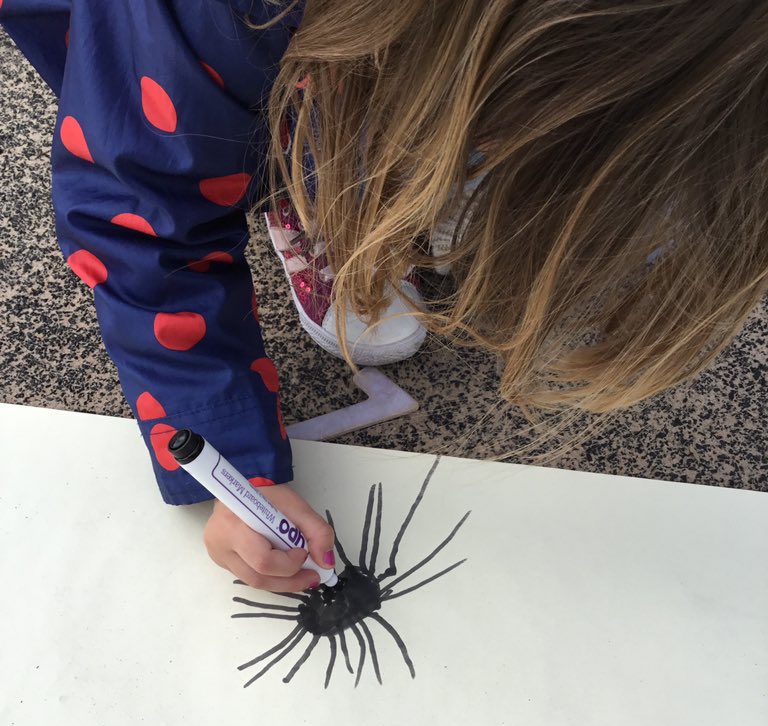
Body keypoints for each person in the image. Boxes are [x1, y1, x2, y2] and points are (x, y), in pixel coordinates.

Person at [3, 1, 767, 591]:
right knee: (237, 122)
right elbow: (141, 214)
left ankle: (416, 170)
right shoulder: (222, 19)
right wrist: (228, 448)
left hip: (400, 50)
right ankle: (316, 186)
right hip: (208, 57)